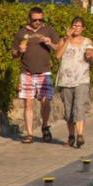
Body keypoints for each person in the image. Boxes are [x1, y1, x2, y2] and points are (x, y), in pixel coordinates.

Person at [11, 8, 61, 143]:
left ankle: (45, 126)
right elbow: (14, 53)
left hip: (44, 71)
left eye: (40, 19)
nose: (38, 22)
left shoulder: (48, 30)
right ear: (29, 19)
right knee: (28, 102)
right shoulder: (22, 32)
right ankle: (29, 134)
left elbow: (59, 48)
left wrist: (50, 43)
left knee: (45, 101)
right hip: (26, 71)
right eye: (35, 20)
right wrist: (19, 51)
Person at [54, 16, 93, 148]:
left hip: (82, 79)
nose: (76, 28)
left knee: (79, 106)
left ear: (83, 28)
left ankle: (80, 135)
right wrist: (67, 39)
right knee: (68, 110)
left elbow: (92, 58)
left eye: (79, 26)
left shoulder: (87, 41)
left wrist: (90, 57)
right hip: (66, 79)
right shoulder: (63, 40)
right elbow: (58, 56)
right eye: (74, 25)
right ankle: (71, 136)